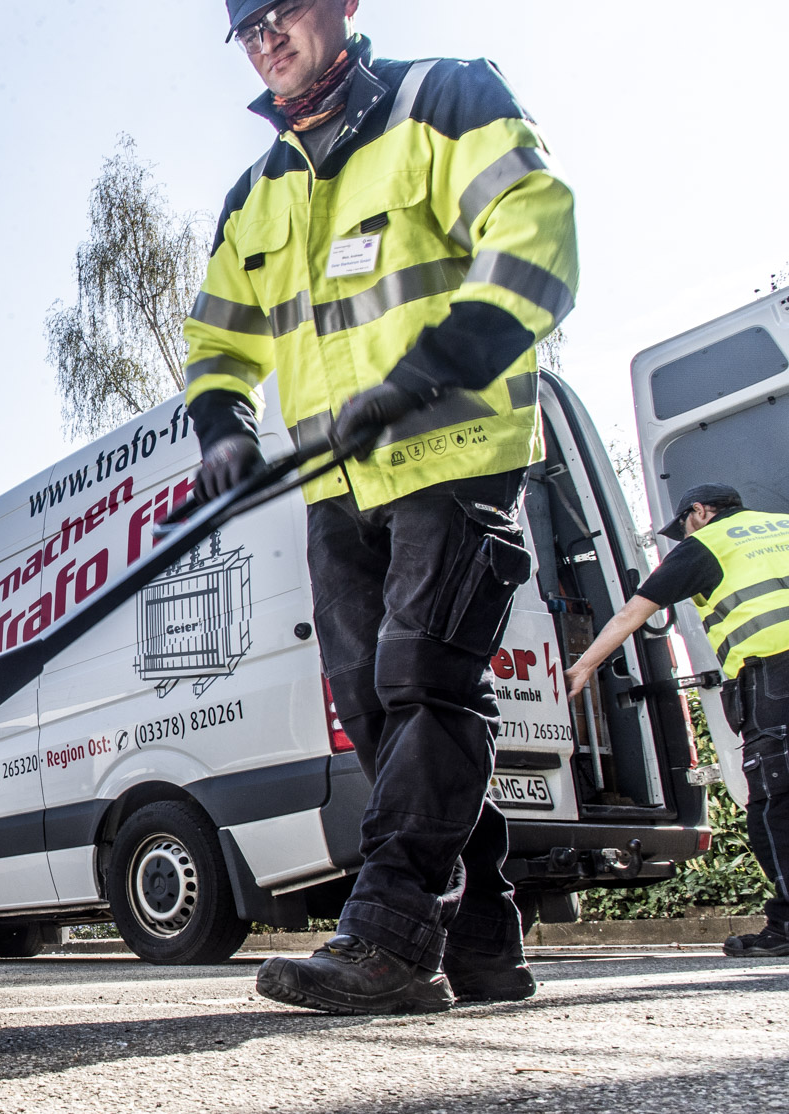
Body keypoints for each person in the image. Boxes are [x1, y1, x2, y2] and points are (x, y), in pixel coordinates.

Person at [182, 0, 578, 1014]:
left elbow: (536, 237)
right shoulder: (257, 196)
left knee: (425, 682)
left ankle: (391, 937)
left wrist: (432, 366)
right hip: (336, 486)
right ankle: (483, 940)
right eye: (245, 24)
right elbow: (217, 343)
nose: (266, 32)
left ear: (343, 3)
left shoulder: (443, 99)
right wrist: (221, 426)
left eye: (283, 8)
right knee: (378, 712)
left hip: (454, 449)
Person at [568, 484, 789, 958]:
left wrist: (584, 666)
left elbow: (634, 613)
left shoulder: (706, 544)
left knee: (774, 805)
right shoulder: (785, 527)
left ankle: (788, 924)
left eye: (683, 523)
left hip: (777, 679)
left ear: (700, 512)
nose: (680, 534)